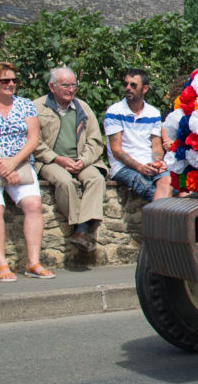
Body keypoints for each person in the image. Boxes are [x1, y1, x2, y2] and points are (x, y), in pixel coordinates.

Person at [0, 62, 54, 281]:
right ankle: (1, 265)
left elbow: (33, 139)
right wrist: (0, 166)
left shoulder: (25, 105)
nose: (11, 84)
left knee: (33, 205)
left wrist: (12, 163)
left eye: (13, 80)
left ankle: (33, 262)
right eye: (4, 81)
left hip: (18, 164)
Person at [33, 66, 108, 253]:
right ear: (52, 86)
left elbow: (95, 140)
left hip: (80, 160)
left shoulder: (83, 107)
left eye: (74, 85)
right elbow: (34, 142)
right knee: (65, 182)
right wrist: (57, 159)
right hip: (50, 161)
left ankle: (81, 231)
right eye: (65, 85)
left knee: (96, 179)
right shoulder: (37, 107)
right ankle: (81, 229)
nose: (71, 89)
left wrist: (83, 160)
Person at [103, 69, 171, 202]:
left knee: (169, 181)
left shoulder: (153, 113)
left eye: (133, 85)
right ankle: (161, 221)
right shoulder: (114, 112)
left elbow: (156, 147)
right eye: (126, 84)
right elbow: (116, 151)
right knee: (152, 191)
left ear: (145, 88)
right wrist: (140, 167)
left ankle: (161, 220)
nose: (128, 88)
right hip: (123, 167)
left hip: (149, 163)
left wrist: (158, 162)